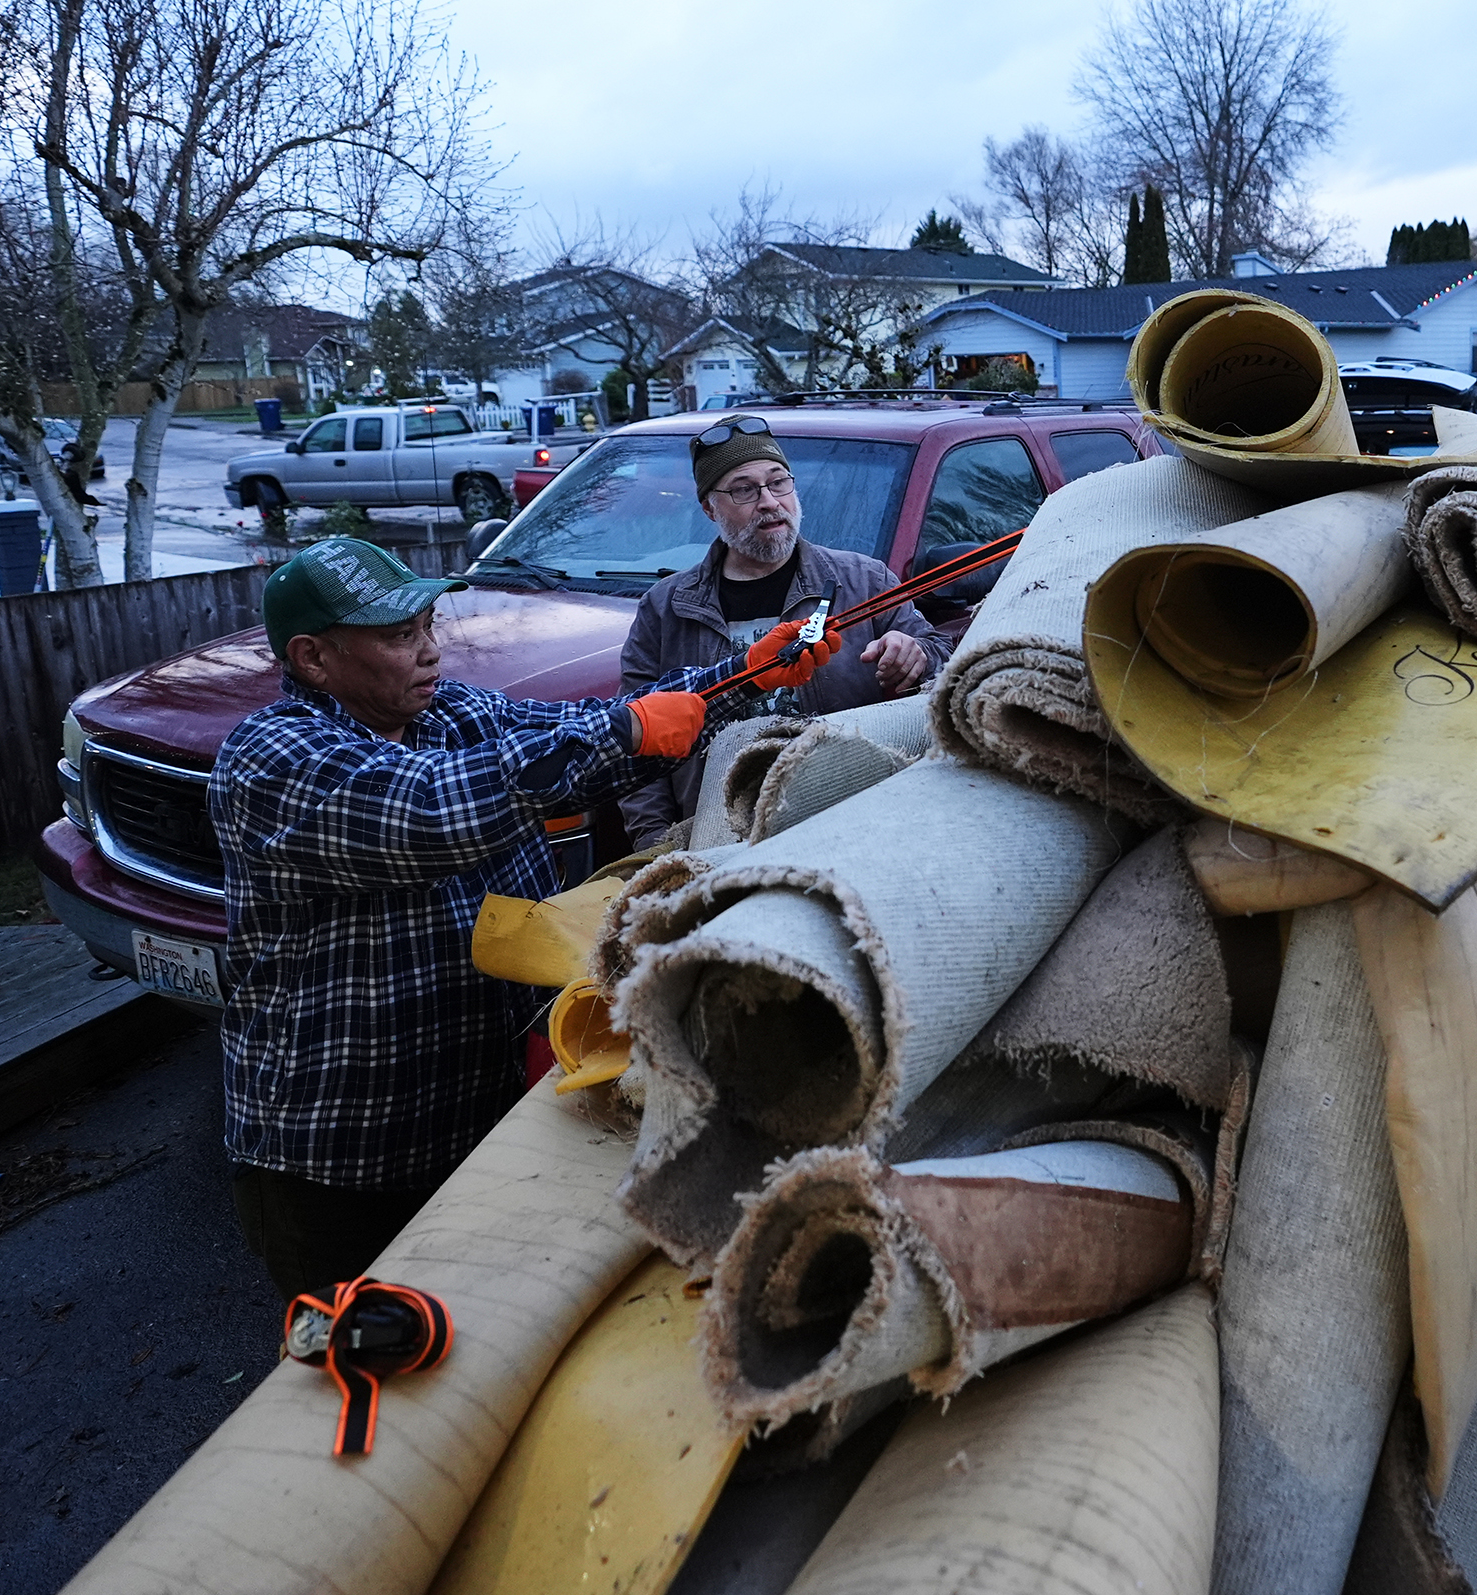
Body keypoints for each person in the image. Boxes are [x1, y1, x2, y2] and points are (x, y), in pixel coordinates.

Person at [209, 537, 835, 1298]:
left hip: (479, 1125)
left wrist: (742, 676)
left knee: (477, 1334)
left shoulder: (452, 713)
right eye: (401, 636)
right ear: (313, 659)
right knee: (360, 1372)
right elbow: (436, 812)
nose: (430, 650)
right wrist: (625, 730)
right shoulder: (271, 757)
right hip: (344, 1159)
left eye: (429, 625)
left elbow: (586, 731)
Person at [617, 414, 952, 847]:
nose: (769, 501)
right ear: (708, 507)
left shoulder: (865, 581)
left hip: (851, 821)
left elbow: (943, 661)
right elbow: (635, 741)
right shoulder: (665, 609)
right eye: (743, 489)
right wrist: (655, 844)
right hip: (716, 838)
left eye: (778, 482)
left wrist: (917, 655)